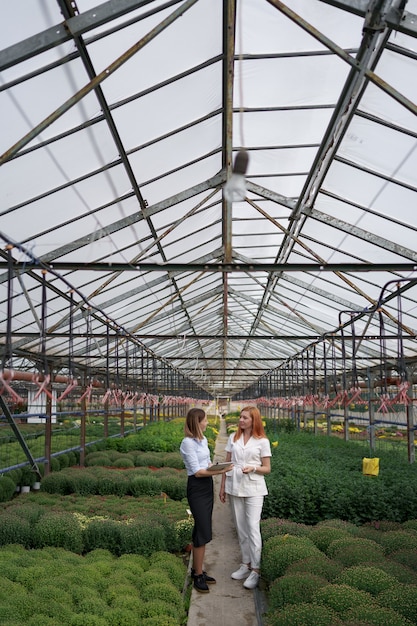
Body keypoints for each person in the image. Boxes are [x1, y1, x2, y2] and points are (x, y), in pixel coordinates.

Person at [180, 407, 233, 593]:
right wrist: (222, 471)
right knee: (202, 530)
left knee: (201, 529)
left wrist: (216, 466)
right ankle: (197, 575)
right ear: (197, 422)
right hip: (196, 487)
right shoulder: (188, 443)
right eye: (204, 420)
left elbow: (206, 464)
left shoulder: (201, 441)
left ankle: (198, 570)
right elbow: (197, 471)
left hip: (206, 486)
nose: (207, 422)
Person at [219, 406, 271, 589]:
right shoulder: (234, 437)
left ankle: (256, 570)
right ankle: (245, 564)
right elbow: (227, 464)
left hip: (254, 488)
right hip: (235, 487)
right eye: (240, 417)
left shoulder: (262, 441)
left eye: (245, 418)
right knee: (241, 529)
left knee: (252, 528)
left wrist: (253, 468)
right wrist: (222, 486)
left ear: (253, 420)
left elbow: (267, 468)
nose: (241, 420)